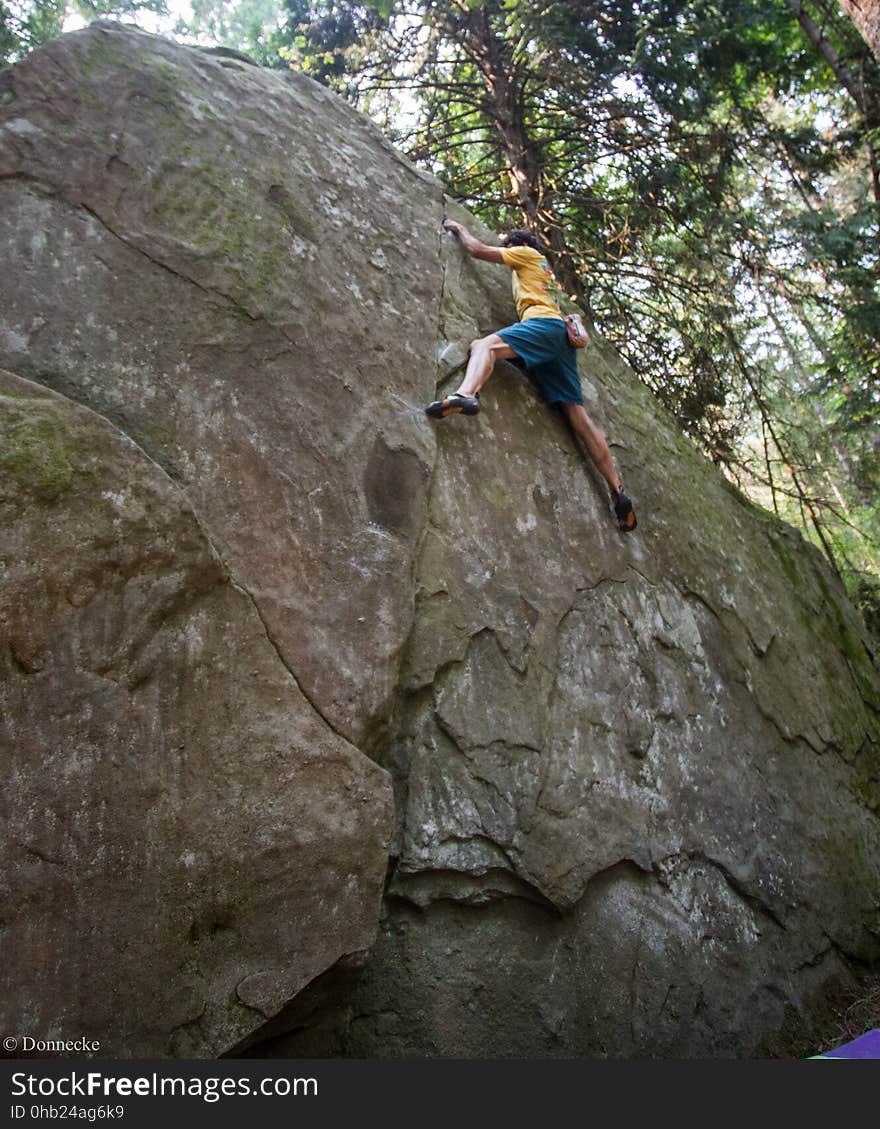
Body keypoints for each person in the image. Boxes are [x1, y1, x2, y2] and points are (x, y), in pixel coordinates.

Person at [426, 219, 637, 533]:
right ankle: (618, 491)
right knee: (577, 415)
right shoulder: (545, 273)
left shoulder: (525, 253)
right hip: (560, 342)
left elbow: (477, 250)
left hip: (544, 327)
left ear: (516, 245)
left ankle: (467, 394)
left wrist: (457, 227)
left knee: (485, 346)